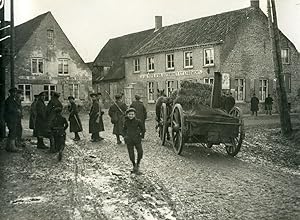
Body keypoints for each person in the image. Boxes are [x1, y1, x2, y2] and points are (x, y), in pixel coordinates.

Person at [123, 108, 145, 174]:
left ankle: (138, 163)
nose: (131, 116)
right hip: (129, 140)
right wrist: (125, 136)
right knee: (131, 154)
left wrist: (140, 135)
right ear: (127, 115)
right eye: (129, 114)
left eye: (132, 114)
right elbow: (123, 130)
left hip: (137, 139)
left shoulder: (138, 121)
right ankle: (134, 164)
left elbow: (143, 129)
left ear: (135, 115)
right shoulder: (126, 122)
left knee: (140, 152)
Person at [4, 88, 22, 152]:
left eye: (15, 92)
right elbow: (9, 109)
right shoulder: (9, 100)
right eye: (13, 92)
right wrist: (17, 110)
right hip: (10, 119)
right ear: (10, 93)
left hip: (13, 118)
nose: (14, 94)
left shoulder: (12, 100)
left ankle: (8, 146)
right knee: (12, 132)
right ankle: (12, 147)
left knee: (12, 132)